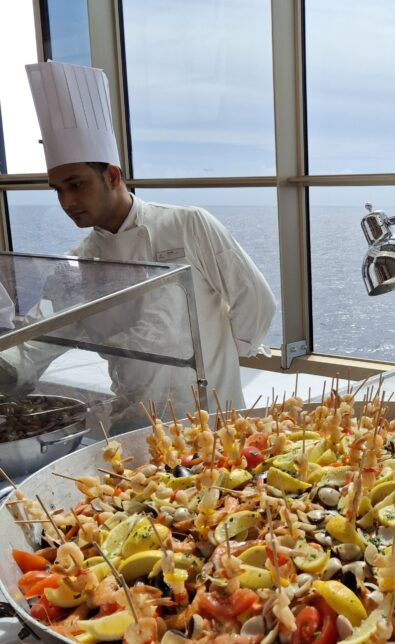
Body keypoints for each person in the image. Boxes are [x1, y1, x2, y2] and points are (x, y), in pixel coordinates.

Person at [4, 61, 276, 424]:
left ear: (112, 176)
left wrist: (219, 366)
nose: (66, 202)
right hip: (137, 425)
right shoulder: (77, 266)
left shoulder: (187, 224)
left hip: (213, 419)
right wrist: (7, 366)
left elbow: (255, 302)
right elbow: (42, 340)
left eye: (76, 184)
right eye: (58, 190)